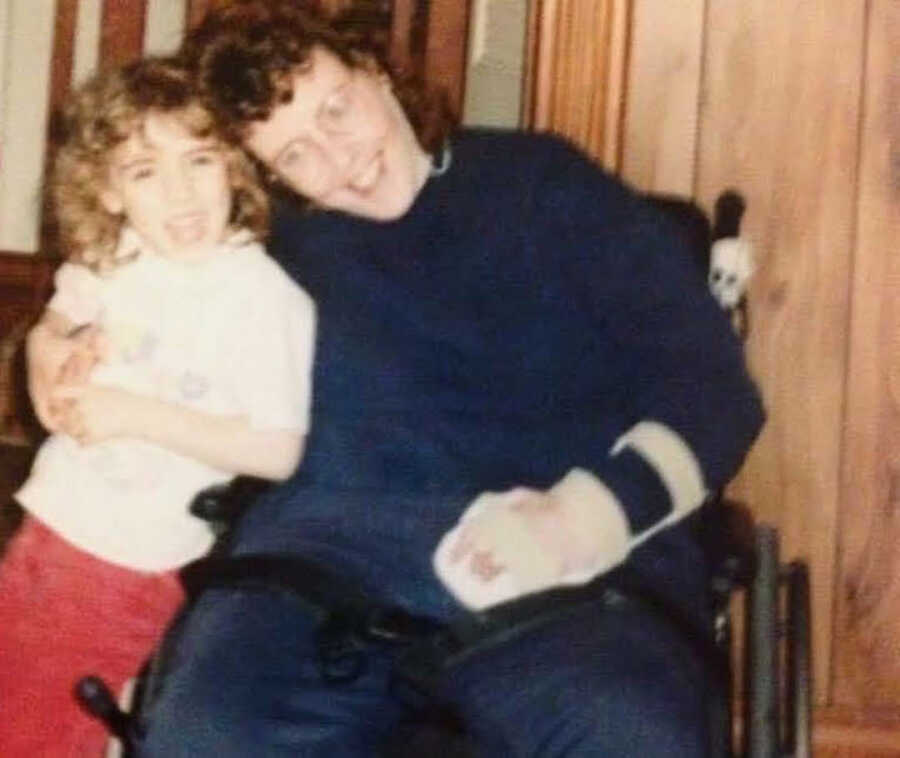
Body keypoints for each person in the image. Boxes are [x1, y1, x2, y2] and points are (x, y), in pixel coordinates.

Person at [28, 2, 765, 755]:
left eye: (337, 109)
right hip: (321, 573)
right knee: (207, 735)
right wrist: (50, 341)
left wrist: (587, 517)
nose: (341, 158)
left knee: (625, 737)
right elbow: (126, 261)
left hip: (567, 573)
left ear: (374, 70)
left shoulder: (543, 185)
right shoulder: (259, 248)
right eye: (296, 155)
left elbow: (713, 389)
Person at [4, 56, 315, 756]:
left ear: (235, 166)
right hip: (52, 522)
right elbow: (66, 306)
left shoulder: (261, 298)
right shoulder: (124, 255)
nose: (179, 195)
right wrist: (51, 349)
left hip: (134, 555)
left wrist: (130, 415)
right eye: (145, 172)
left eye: (199, 161)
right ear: (109, 194)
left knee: (44, 728)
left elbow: (279, 446)